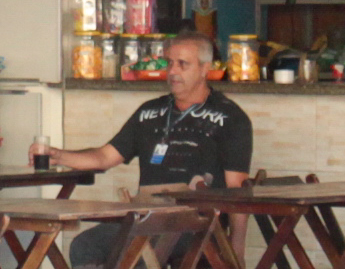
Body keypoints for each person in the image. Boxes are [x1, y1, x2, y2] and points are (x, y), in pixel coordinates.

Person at [37, 32, 253, 191]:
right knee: (87, 244)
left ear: (205, 69)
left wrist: (234, 251)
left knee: (114, 246)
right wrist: (59, 156)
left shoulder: (230, 118)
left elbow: (237, 191)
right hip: (147, 219)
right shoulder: (149, 112)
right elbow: (104, 157)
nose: (173, 71)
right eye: (169, 63)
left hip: (198, 228)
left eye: (182, 64)